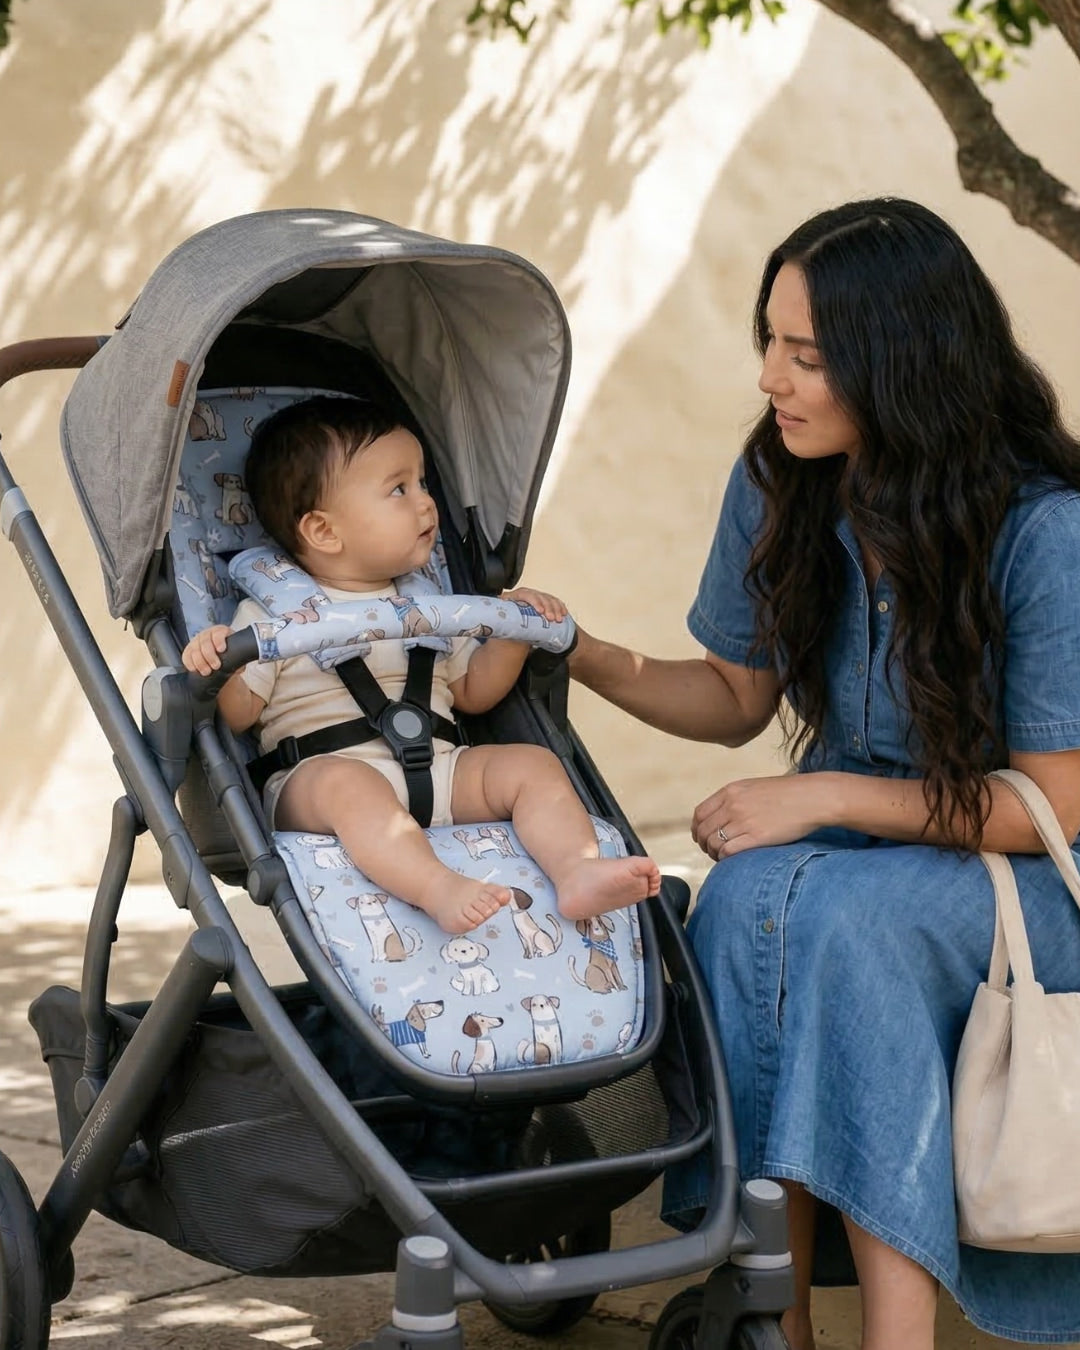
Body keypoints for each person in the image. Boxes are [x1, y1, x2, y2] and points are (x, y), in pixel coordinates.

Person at [567, 198, 1080, 1349]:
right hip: (866, 859)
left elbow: (1051, 804)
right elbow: (734, 696)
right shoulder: (781, 482)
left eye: (805, 354)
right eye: (768, 341)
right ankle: (776, 1321)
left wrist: (829, 795)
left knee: (846, 921)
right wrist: (577, 650)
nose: (771, 379)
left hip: (1032, 876)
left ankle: (899, 1337)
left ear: (900, 361)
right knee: (748, 899)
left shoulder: (1047, 533)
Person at [182, 395, 660, 934]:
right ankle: (436, 886)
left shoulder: (431, 606)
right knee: (348, 785)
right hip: (320, 780)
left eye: (424, 483)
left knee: (533, 765)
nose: (427, 504)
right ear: (324, 531)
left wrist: (513, 634)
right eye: (399, 489)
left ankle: (577, 870)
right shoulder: (271, 614)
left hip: (438, 769)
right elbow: (242, 713)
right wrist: (217, 662)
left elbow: (472, 692)